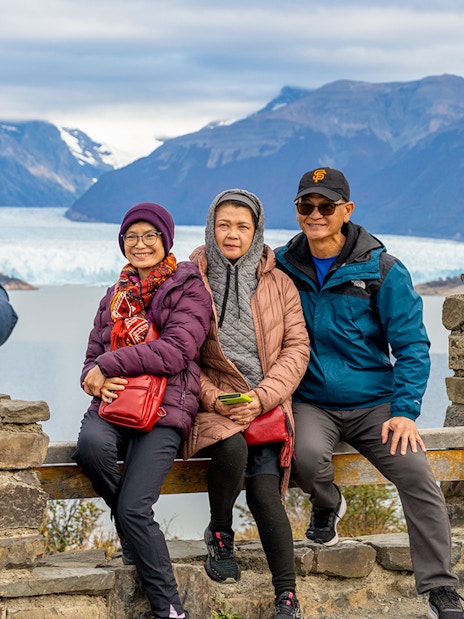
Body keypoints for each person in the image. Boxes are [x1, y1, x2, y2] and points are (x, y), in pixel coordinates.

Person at [274, 166, 464, 619]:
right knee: (302, 458)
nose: (315, 214)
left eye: (326, 205)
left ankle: (440, 588)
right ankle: (327, 506)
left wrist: (405, 411)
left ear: (347, 210)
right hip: (311, 402)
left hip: (376, 406)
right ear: (297, 210)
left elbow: (413, 346)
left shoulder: (382, 270)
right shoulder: (281, 264)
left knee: (418, 477)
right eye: (306, 205)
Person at [73, 202, 211, 619]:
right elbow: (92, 357)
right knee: (90, 448)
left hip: (167, 405)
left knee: (134, 507)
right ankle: (137, 537)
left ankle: (169, 609)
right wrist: (90, 377)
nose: (141, 244)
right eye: (132, 237)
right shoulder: (114, 296)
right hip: (116, 403)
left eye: (150, 235)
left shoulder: (189, 288)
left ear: (166, 240)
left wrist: (108, 366)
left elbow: (176, 351)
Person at [184, 189, 310, 619]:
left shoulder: (279, 283)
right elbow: (181, 353)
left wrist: (259, 399)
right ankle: (220, 533)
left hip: (265, 405)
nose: (232, 234)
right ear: (210, 227)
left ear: (256, 231)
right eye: (224, 225)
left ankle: (287, 596)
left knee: (263, 491)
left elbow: (296, 350)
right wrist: (215, 399)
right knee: (233, 447)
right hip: (212, 404)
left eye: (242, 226)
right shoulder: (190, 280)